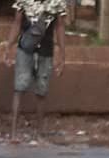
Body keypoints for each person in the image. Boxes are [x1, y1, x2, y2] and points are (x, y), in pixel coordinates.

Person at [4, 0, 67, 143]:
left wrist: (62, 54)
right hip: (26, 50)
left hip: (45, 51)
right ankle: (14, 134)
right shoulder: (23, 2)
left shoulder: (57, 3)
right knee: (20, 89)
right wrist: (8, 47)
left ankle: (38, 134)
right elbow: (17, 23)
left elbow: (60, 27)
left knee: (41, 91)